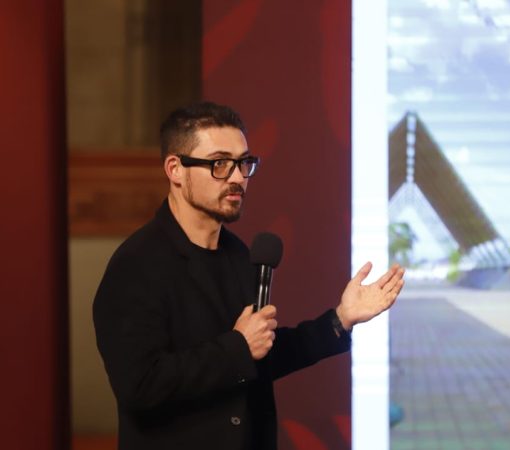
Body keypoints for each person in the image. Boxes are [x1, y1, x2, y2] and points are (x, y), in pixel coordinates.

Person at [93, 101, 405, 450]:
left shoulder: (240, 255)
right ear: (175, 169)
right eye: (220, 164)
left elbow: (259, 355)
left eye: (243, 163)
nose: (238, 177)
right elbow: (139, 386)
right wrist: (238, 348)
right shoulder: (135, 266)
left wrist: (340, 319)